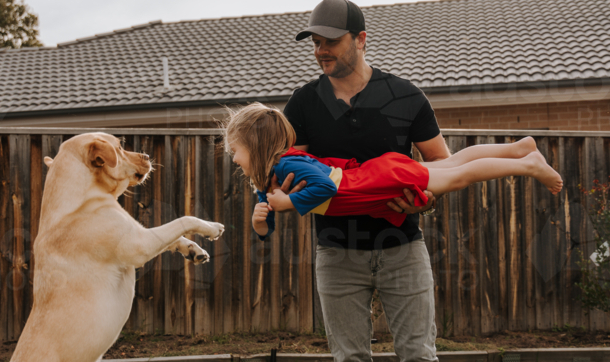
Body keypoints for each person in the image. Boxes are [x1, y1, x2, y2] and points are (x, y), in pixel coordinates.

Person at [256, 0, 480, 362]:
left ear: (360, 39)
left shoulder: (405, 96)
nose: (320, 50)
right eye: (314, 41)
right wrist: (268, 203)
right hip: (336, 252)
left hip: (402, 249)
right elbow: (283, 174)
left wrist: (421, 200)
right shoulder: (304, 104)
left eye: (330, 40)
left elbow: (441, 169)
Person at [222, 105, 562, 239]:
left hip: (377, 182)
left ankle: (526, 165)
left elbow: (325, 188)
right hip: (376, 176)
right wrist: (260, 220)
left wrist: (288, 205)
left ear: (258, 145)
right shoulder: (272, 175)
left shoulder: (286, 164)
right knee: (452, 163)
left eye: (236, 152)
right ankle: (518, 148)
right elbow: (266, 222)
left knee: (460, 175)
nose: (234, 160)